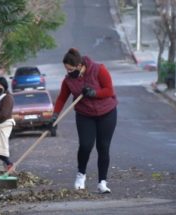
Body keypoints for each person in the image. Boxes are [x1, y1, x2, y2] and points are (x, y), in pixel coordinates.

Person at [52, 48, 118, 193]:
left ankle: (102, 182)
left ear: (80, 65)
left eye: (71, 69)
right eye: (66, 69)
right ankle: (81, 175)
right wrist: (55, 115)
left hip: (107, 112)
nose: (69, 72)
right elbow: (62, 98)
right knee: (85, 145)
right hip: (85, 114)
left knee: (103, 147)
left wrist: (94, 93)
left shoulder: (98, 69)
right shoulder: (69, 80)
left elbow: (109, 90)